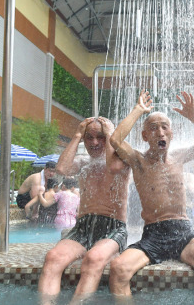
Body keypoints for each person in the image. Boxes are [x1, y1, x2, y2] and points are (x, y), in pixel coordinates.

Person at [108, 90, 194, 305]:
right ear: (145, 136)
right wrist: (139, 110)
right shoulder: (138, 160)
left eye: (164, 127)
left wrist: (193, 117)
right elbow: (115, 139)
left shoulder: (180, 156)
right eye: (153, 128)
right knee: (118, 268)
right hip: (154, 233)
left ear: (171, 133)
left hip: (183, 230)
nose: (159, 132)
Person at [38, 117, 130, 304]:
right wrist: (77, 134)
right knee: (53, 257)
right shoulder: (83, 162)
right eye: (89, 137)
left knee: (93, 258)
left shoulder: (121, 161)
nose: (94, 142)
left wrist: (110, 133)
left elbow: (112, 167)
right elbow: (62, 168)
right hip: (83, 227)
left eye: (100, 137)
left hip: (112, 228)